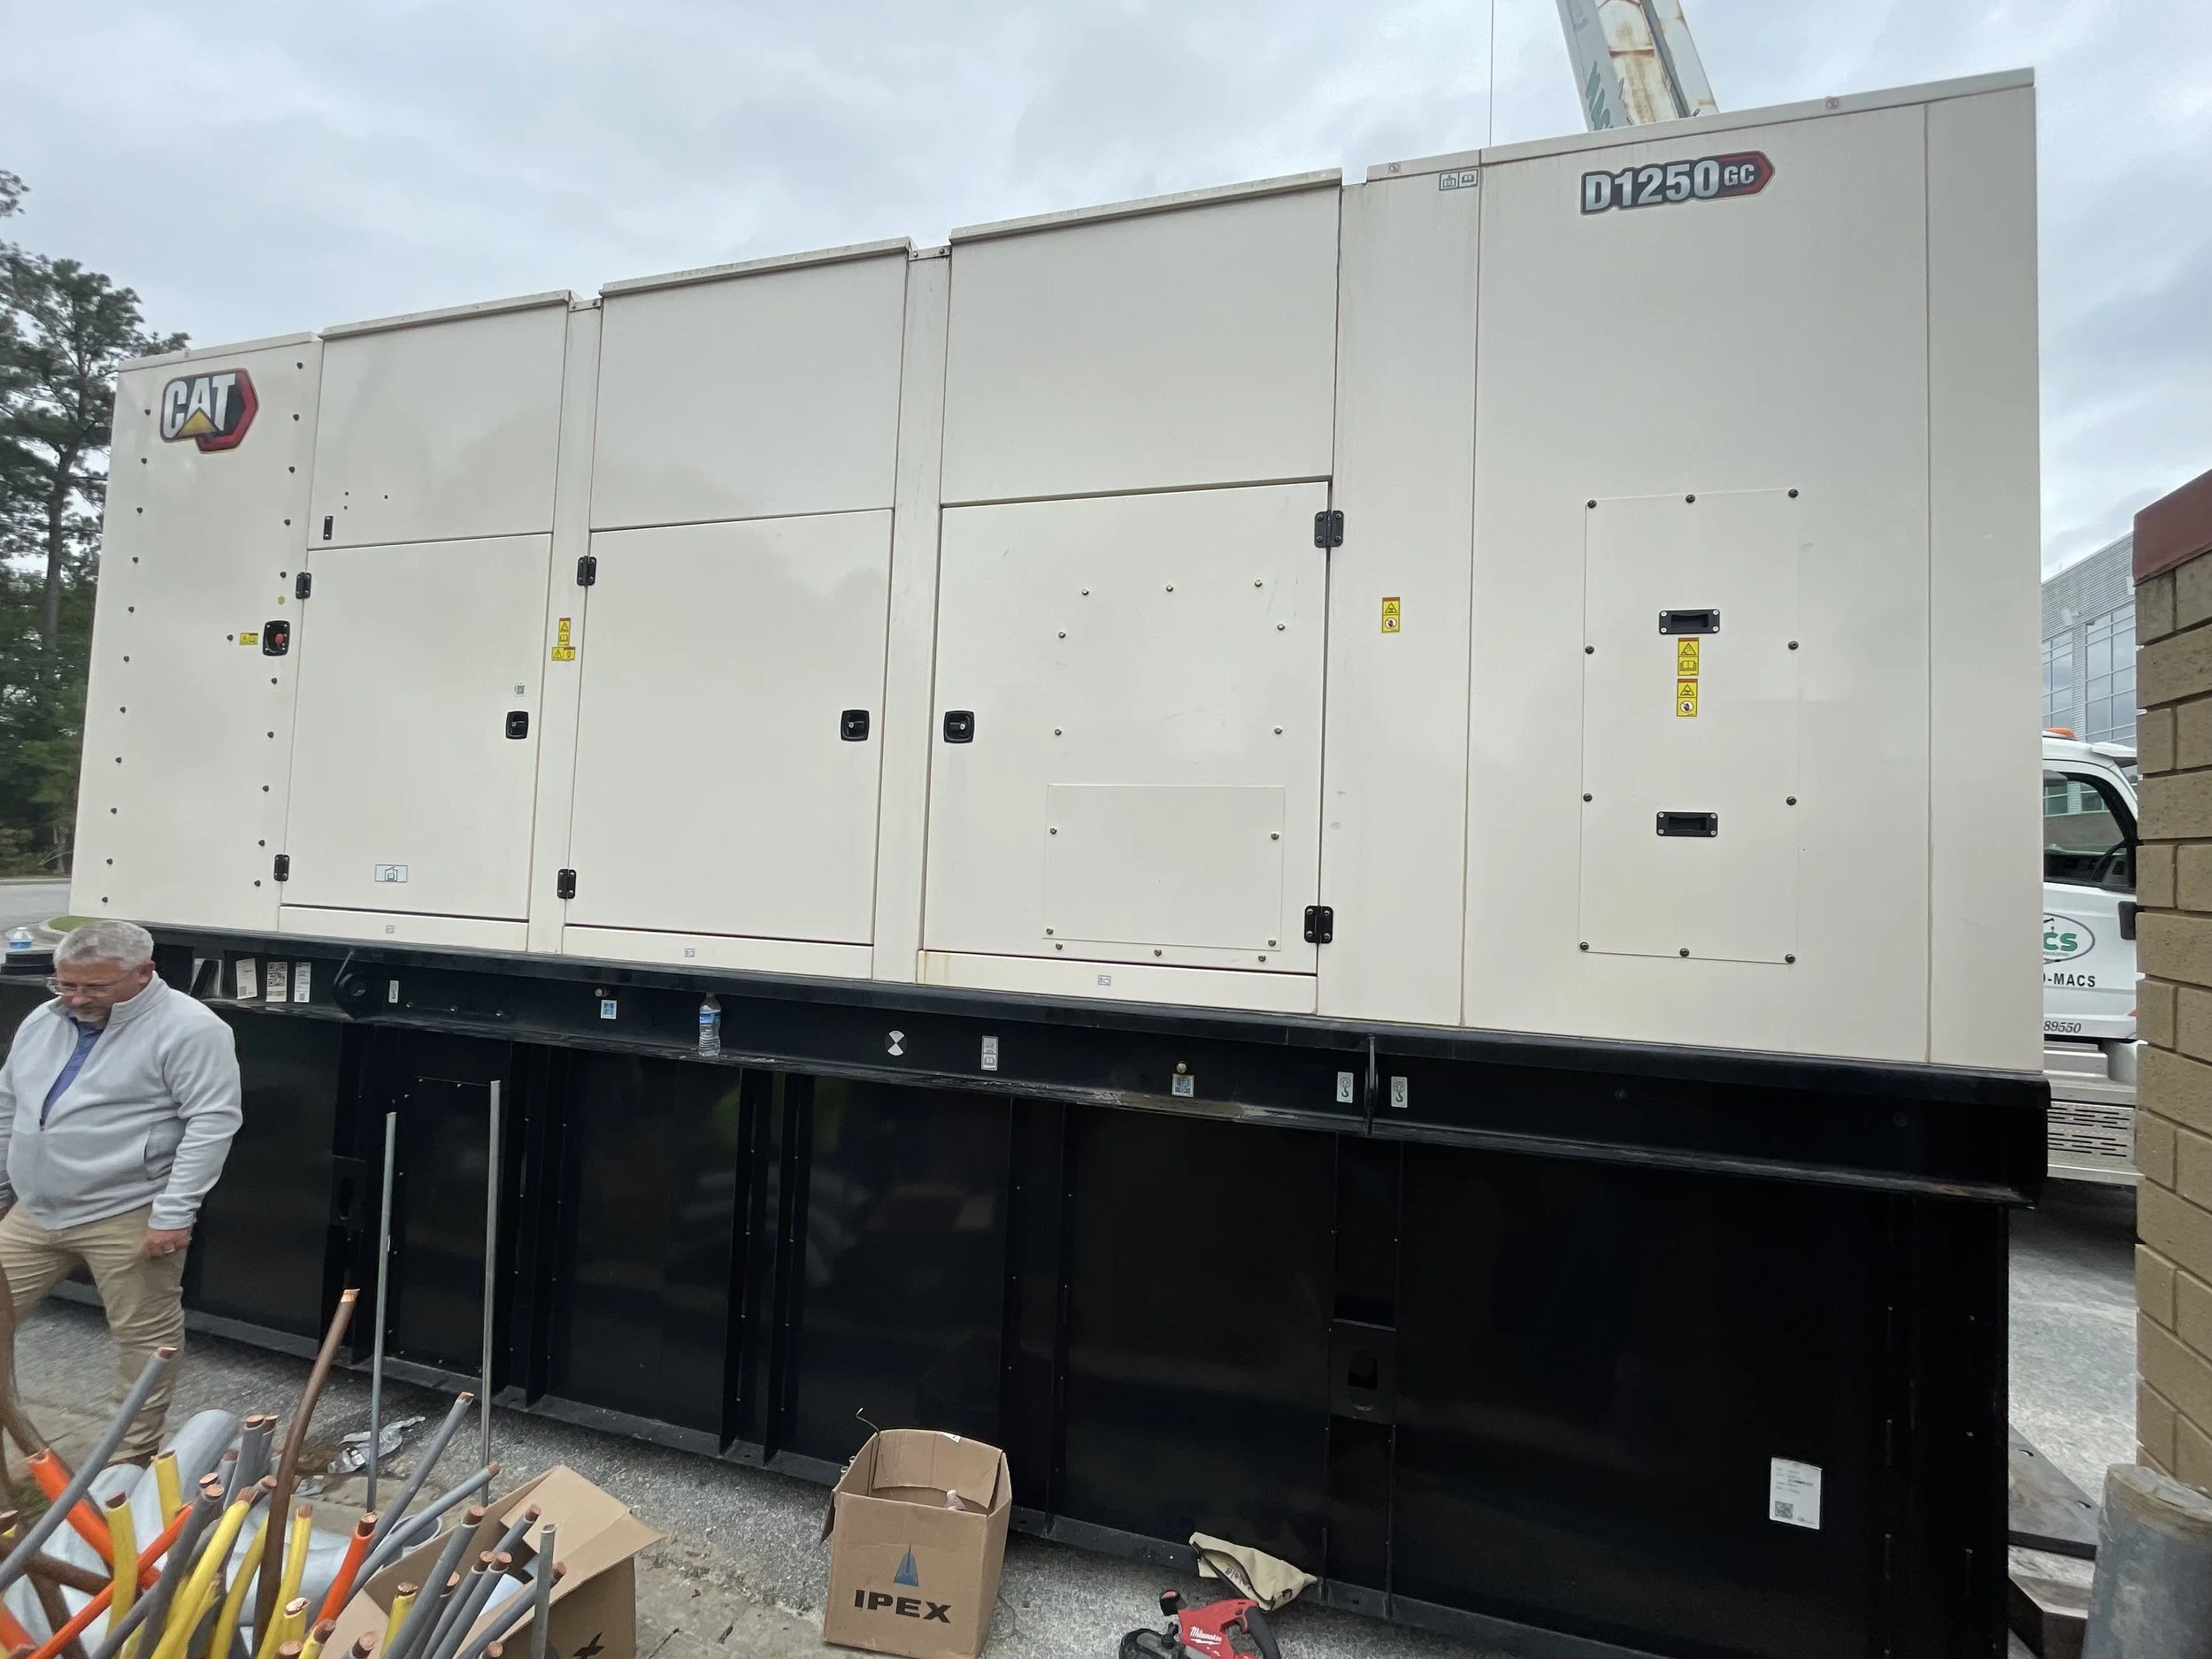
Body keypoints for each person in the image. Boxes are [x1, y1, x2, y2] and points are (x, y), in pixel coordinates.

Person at [0, 919, 242, 1462]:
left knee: (144, 1344)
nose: (76, 998)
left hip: (129, 1211)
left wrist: (174, 1214)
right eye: (66, 984)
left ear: (142, 974)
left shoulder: (191, 1029)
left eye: (94, 988)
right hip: (36, 1210)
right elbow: (8, 1105)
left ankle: (122, 1464)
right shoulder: (46, 1019)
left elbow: (211, 1122)